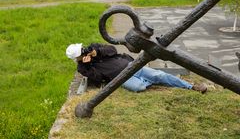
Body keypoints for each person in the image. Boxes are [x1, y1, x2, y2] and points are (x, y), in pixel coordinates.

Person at [66, 43, 207, 93]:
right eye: (81, 53)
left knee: (160, 75)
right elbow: (98, 78)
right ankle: (150, 80)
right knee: (139, 87)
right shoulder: (82, 68)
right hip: (118, 78)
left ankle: (190, 86)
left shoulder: (94, 48)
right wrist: (88, 64)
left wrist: (97, 53)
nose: (84, 52)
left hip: (129, 65)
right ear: (77, 58)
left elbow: (113, 50)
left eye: (82, 49)